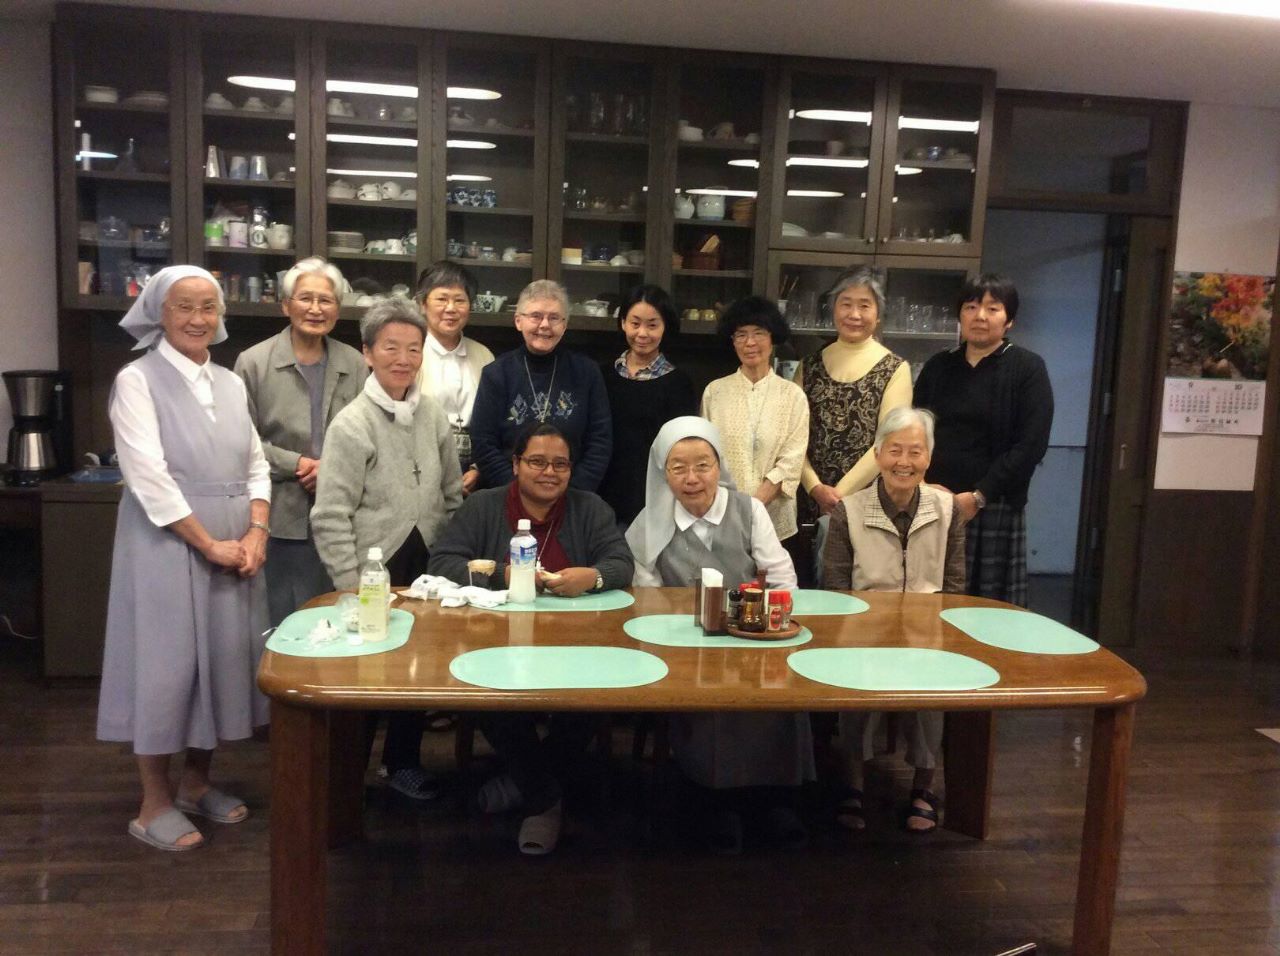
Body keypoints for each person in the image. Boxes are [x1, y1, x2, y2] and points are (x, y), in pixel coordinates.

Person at [97, 265, 271, 852]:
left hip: (233, 538)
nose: (198, 319)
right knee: (166, 670)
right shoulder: (137, 380)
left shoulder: (230, 382)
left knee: (219, 665)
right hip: (168, 542)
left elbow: (256, 464)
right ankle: (153, 804)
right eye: (184, 307)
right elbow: (148, 477)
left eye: (209, 307)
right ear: (159, 313)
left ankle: (197, 783)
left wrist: (257, 530)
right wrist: (208, 542)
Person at [427, 422, 634, 855]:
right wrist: (499, 575)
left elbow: (621, 563)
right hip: (496, 645)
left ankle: (523, 783)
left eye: (560, 464)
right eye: (537, 461)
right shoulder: (483, 507)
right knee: (491, 700)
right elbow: (442, 560)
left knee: (597, 699)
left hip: (576, 648)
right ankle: (545, 799)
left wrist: (593, 577)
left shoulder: (589, 508)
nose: (549, 472)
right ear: (516, 464)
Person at [629, 416, 812, 854]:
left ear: (719, 465)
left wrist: (762, 625)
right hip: (684, 645)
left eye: (703, 465)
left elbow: (783, 578)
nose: (692, 479)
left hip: (754, 637)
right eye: (678, 467)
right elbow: (645, 600)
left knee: (780, 695)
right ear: (663, 472)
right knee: (707, 698)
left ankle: (776, 800)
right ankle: (716, 804)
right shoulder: (646, 525)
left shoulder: (749, 510)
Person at [311, 297, 464, 801]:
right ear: (368, 353)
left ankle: (403, 762)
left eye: (413, 348)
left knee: (416, 669)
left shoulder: (433, 415)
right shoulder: (352, 424)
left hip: (428, 559)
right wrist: (349, 584)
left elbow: (450, 492)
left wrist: (453, 555)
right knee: (366, 672)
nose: (403, 358)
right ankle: (346, 775)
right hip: (373, 565)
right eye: (390, 347)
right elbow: (330, 513)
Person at [820, 406, 966, 833]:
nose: (905, 461)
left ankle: (924, 789)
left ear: (929, 458)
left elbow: (955, 584)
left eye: (915, 452)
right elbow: (836, 589)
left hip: (927, 631)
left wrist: (941, 637)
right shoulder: (848, 510)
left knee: (932, 693)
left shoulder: (948, 509)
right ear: (878, 454)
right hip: (863, 630)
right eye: (895, 450)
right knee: (855, 692)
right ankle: (853, 785)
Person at [234, 257, 366, 626]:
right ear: (285, 304)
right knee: (283, 621)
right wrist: (299, 464)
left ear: (338, 310)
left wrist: (332, 467)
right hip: (279, 518)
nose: (315, 308)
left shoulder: (353, 363)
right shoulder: (253, 363)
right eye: (305, 298)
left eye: (326, 300)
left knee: (340, 617)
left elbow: (365, 434)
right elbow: (242, 441)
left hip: (342, 517)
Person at [912, 273, 1053, 607]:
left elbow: (1031, 444)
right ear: (959, 314)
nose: (980, 316)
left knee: (990, 611)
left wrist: (978, 496)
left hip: (994, 507)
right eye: (971, 306)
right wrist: (927, 485)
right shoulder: (938, 366)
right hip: (936, 503)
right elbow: (916, 431)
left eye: (993, 308)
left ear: (1010, 320)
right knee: (932, 605)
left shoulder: (1027, 368)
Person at [469, 279, 612, 492]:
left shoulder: (587, 372)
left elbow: (600, 442)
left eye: (554, 317)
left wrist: (571, 494)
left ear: (564, 325)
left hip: (573, 498)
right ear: (518, 321)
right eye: (536, 316)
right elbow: (483, 443)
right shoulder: (496, 374)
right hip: (509, 496)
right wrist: (518, 493)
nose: (545, 325)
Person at [796, 266, 912, 524]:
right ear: (833, 309)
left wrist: (838, 495)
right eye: (846, 304)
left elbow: (888, 442)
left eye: (865, 306)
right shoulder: (808, 365)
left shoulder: (895, 369)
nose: (854, 314)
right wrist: (814, 487)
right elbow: (793, 437)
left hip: (868, 501)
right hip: (808, 498)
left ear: (878, 314)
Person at [700, 296, 808, 543]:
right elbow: (706, 455)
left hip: (775, 522)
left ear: (773, 338)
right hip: (722, 519)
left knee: (773, 582)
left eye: (759, 333)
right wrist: (732, 510)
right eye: (740, 335)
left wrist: (754, 507)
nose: (750, 342)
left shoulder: (793, 395)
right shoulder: (714, 392)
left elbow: (792, 460)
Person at [598, 285, 698, 526]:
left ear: (665, 327)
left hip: (655, 500)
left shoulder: (679, 383)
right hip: (601, 497)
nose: (642, 333)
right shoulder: (601, 375)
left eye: (652, 325)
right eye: (635, 323)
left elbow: (681, 450)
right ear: (622, 322)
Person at [413, 260, 495, 496]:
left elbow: (496, 419)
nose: (451, 308)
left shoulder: (484, 355)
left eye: (460, 300)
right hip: (421, 471)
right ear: (422, 303)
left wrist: (479, 468)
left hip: (475, 471)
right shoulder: (410, 353)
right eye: (441, 299)